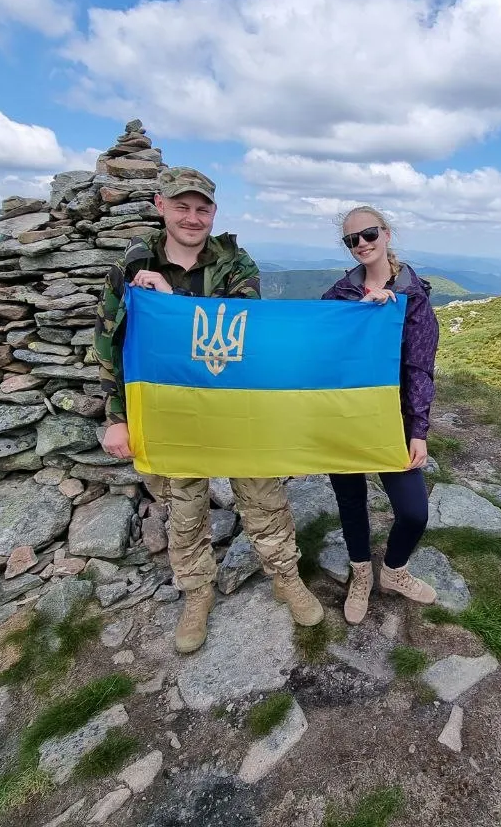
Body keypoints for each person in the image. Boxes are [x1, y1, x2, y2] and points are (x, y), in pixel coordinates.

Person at [94, 165, 324, 653]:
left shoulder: (236, 263)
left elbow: (249, 327)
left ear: (214, 212)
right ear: (161, 206)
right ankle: (197, 593)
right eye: (182, 206)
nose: (192, 218)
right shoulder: (131, 271)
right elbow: (111, 347)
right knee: (184, 505)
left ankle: (285, 576)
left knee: (263, 495)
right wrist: (118, 418)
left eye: (202, 209)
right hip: (171, 411)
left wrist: (171, 303)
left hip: (235, 408)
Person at [321, 205, 440, 624]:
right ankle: (360, 574)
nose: (361, 244)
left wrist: (418, 430)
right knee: (350, 501)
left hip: (392, 420)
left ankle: (394, 571)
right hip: (345, 417)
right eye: (351, 239)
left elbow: (420, 368)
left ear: (387, 233)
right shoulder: (338, 296)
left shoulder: (414, 298)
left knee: (413, 511)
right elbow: (318, 345)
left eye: (368, 234)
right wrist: (362, 319)